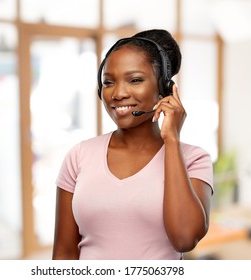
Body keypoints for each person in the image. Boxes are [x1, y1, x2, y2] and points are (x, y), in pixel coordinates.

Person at [52, 29, 214, 260]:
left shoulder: (194, 159)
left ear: (164, 89)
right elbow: (64, 253)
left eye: (135, 80)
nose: (118, 93)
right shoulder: (79, 155)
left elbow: (185, 238)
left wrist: (172, 141)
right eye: (108, 82)